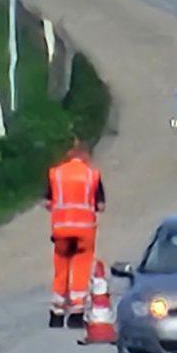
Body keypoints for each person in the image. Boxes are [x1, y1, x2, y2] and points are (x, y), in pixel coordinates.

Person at [43, 139, 106, 327]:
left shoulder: (56, 174)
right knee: (80, 269)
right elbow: (100, 205)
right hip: (84, 232)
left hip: (61, 230)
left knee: (61, 269)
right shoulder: (92, 175)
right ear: (86, 156)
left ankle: (57, 314)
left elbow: (47, 202)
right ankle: (76, 315)